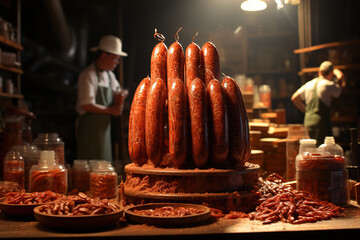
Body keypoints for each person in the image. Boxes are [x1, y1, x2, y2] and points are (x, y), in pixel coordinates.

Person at [76, 35, 128, 162]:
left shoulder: (110, 76)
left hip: (104, 131)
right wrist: (112, 110)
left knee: (104, 168)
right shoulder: (88, 75)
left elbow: (119, 90)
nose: (117, 63)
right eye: (115, 59)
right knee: (88, 169)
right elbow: (87, 105)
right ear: (104, 55)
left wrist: (122, 94)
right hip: (89, 131)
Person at [291, 61, 345, 145]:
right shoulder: (328, 85)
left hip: (308, 122)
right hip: (321, 124)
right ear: (331, 74)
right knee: (323, 150)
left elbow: (294, 98)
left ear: (319, 72)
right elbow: (339, 91)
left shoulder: (309, 84)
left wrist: (307, 111)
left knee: (309, 149)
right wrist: (340, 75)